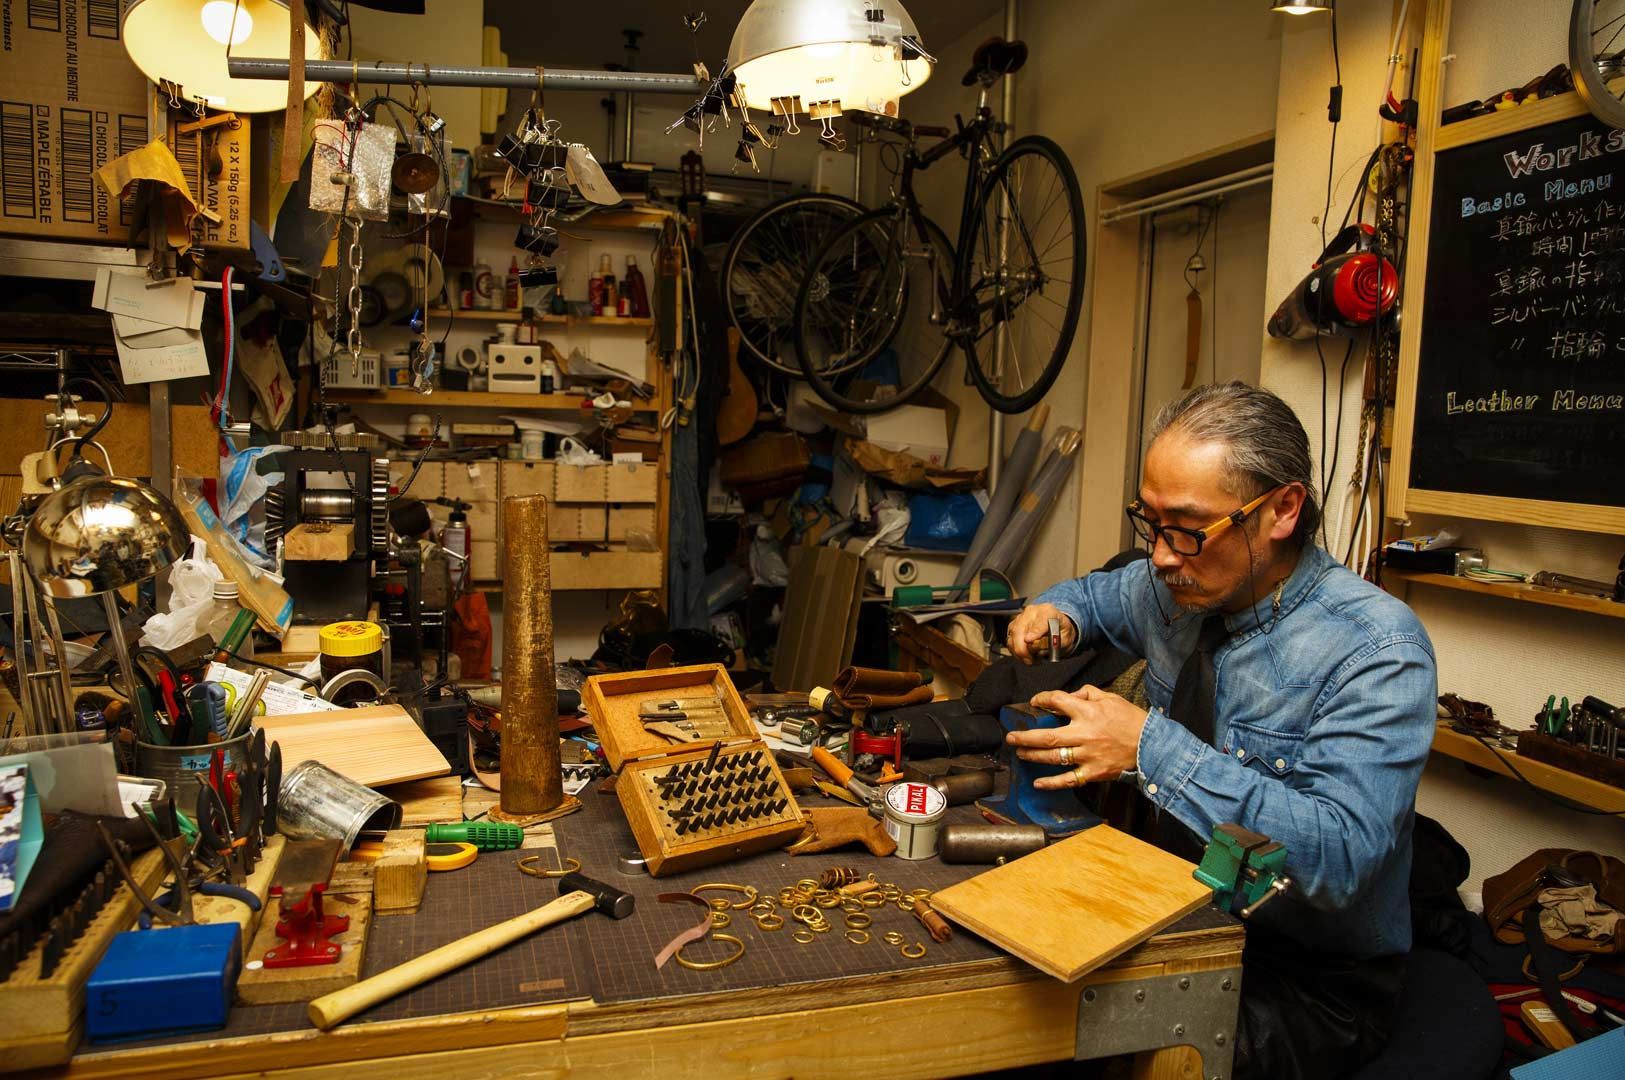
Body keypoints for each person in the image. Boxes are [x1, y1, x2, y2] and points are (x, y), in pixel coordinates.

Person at [1004, 381, 1436, 1080]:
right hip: (1170, 916)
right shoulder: (1168, 583)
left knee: (1110, 1061)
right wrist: (1054, 612)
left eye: (1185, 528)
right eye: (1149, 523)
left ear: (1282, 510)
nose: (1162, 556)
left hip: (1305, 978)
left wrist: (1146, 746)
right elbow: (1092, 594)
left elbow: (1337, 860)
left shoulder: (1376, 652)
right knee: (1011, 1013)